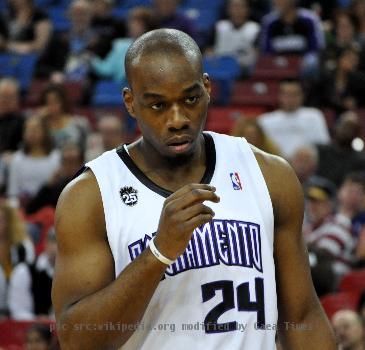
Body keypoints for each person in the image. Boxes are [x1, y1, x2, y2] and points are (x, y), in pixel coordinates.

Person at [52, 29, 336, 349]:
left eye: (190, 99)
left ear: (207, 87)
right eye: (158, 105)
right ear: (131, 103)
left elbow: (303, 317)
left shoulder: (268, 175)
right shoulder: (91, 195)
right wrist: (158, 253)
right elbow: (77, 340)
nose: (178, 119)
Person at [257, 78, 330, 159]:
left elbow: (323, 144)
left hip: (306, 164)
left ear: (302, 96)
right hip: (276, 165)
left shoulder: (314, 116)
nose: (291, 98)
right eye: (287, 94)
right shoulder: (265, 120)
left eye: (295, 94)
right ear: (279, 96)